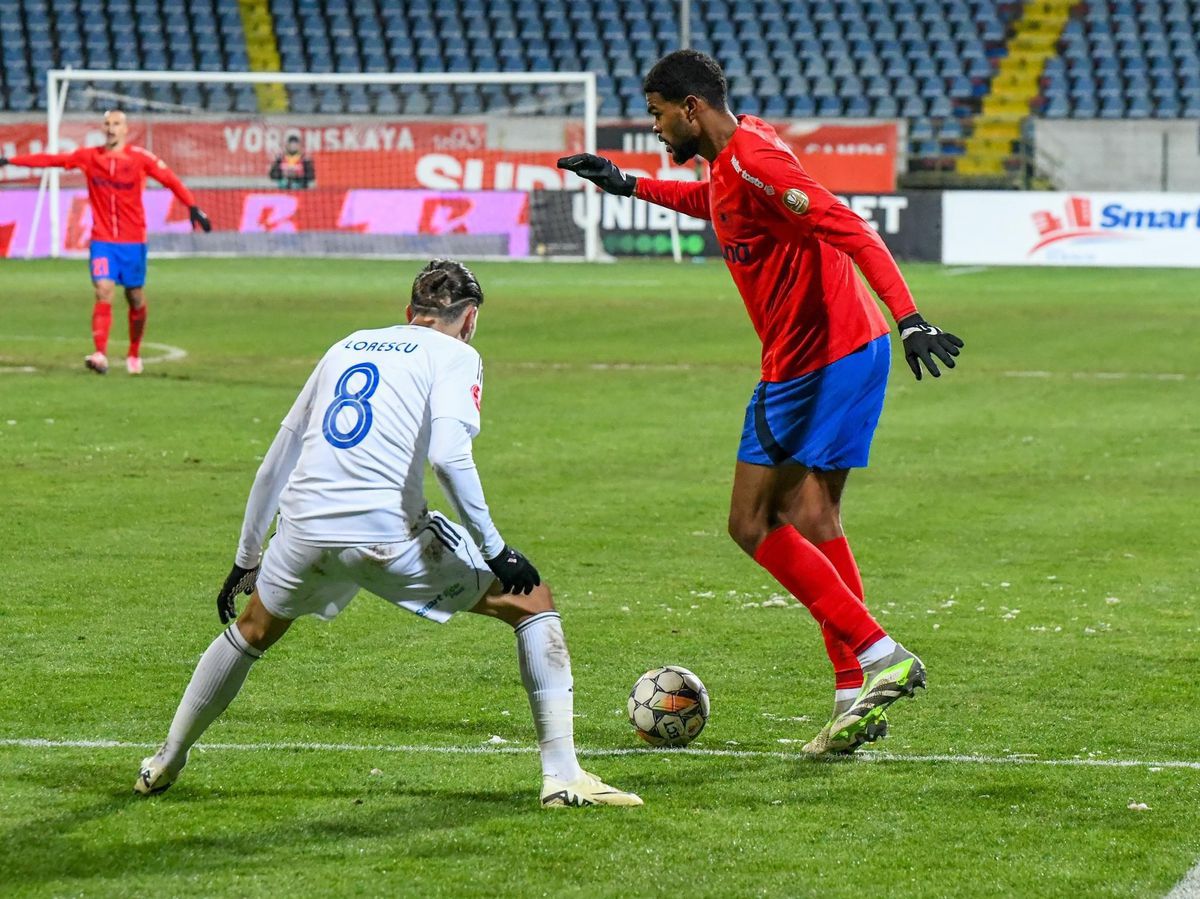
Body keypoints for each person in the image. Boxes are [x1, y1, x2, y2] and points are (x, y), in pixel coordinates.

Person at [558, 50, 964, 757]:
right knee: (814, 513)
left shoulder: (754, 160)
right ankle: (852, 691)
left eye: (658, 116)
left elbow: (847, 226)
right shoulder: (738, 158)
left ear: (691, 108)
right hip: (853, 347)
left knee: (751, 521)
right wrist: (629, 186)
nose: (655, 130)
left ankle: (879, 652)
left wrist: (912, 316)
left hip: (814, 359)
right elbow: (715, 203)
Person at [133, 259, 641, 809]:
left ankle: (165, 759)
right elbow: (448, 456)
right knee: (533, 602)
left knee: (253, 628)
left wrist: (247, 556)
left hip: (303, 524)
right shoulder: (458, 354)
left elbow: (278, 456)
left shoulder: (348, 344)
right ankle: (563, 777)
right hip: (384, 532)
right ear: (469, 320)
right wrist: (496, 549)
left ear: (409, 313)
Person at [0, 109, 211, 375]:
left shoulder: (140, 158)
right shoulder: (90, 157)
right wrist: (10, 160)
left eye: (116, 124)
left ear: (125, 129)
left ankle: (134, 353)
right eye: (107, 124)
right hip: (102, 240)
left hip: (133, 240)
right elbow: (51, 160)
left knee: (134, 296)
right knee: (103, 290)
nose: (111, 128)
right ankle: (100, 354)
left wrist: (192, 207)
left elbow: (170, 179)